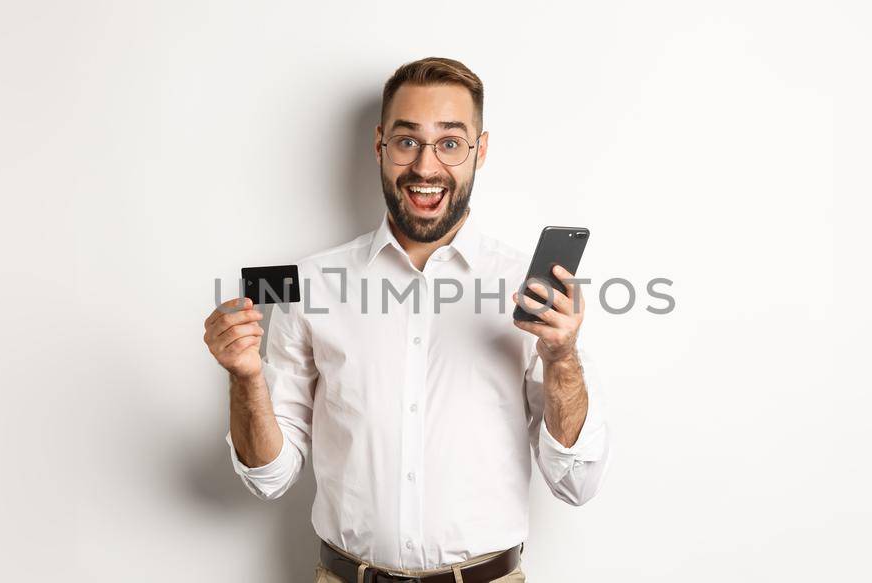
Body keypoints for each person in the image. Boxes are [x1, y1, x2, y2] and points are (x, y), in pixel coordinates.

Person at [202, 57, 611, 582]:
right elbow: (269, 479)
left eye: (450, 142)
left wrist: (563, 360)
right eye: (407, 141)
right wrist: (245, 377)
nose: (425, 166)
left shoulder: (529, 289)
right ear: (380, 145)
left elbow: (575, 483)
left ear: (479, 151)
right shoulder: (308, 284)